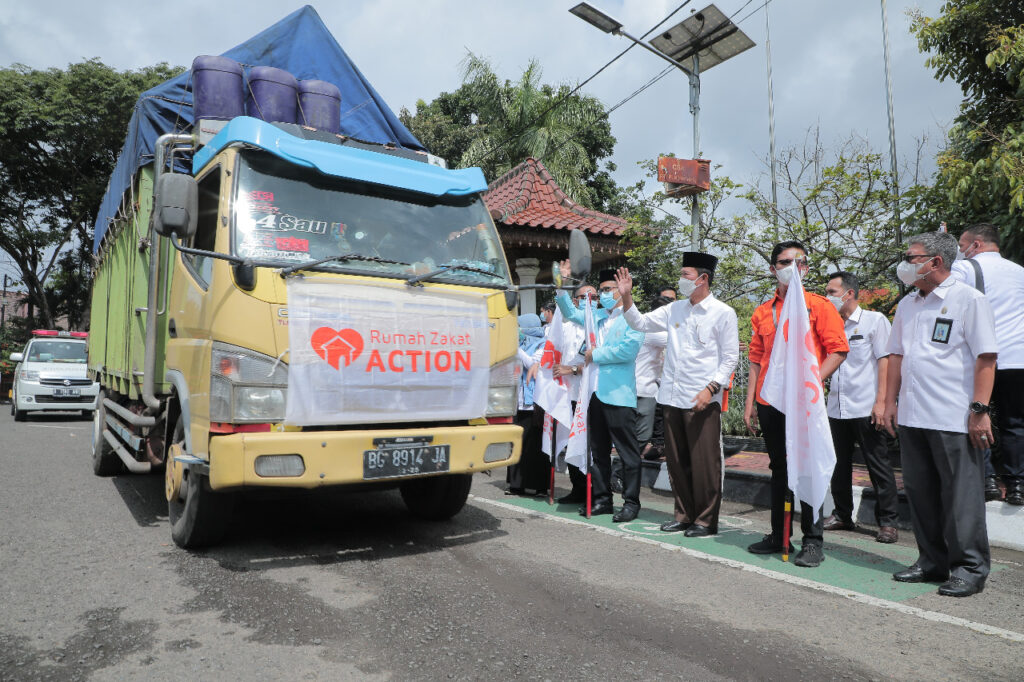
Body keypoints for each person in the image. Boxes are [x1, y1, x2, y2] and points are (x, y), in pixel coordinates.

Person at [882, 231, 996, 597]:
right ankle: (931, 560)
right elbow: (896, 355)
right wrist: (887, 402)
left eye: (911, 257)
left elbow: (986, 358)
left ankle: (969, 568)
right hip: (914, 415)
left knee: (961, 497)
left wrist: (980, 410)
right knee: (922, 493)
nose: (905, 264)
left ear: (936, 262)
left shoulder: (969, 300)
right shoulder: (908, 304)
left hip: (953, 416)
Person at [616, 253, 739, 538]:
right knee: (677, 462)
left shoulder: (723, 312)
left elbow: (730, 358)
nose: (681, 280)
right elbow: (640, 323)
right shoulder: (675, 310)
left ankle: (706, 520)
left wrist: (711, 388)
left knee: (704, 462)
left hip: (702, 399)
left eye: (686, 275)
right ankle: (684, 515)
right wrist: (626, 297)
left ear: (703, 278)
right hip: (671, 396)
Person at [744, 241, 848, 567]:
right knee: (779, 469)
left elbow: (838, 350)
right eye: (783, 262)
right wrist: (750, 403)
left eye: (796, 261)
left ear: (805, 267)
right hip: (770, 400)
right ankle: (779, 535)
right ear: (773, 268)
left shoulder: (818, 306)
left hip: (804, 404)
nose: (791, 266)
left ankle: (813, 541)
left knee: (807, 469)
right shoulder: (763, 311)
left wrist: (811, 384)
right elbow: (756, 360)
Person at [556, 264, 644, 522]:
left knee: (628, 453)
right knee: (598, 452)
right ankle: (603, 499)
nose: (602, 295)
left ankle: (631, 502)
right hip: (593, 394)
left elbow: (627, 351)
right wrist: (562, 284)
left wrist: (596, 355)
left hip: (618, 394)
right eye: (600, 290)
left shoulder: (634, 317)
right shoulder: (597, 315)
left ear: (622, 290)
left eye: (607, 290)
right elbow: (570, 312)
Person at [821, 271, 900, 543]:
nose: (828, 297)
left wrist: (882, 402)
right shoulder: (830, 325)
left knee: (877, 465)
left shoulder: (874, 321)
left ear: (849, 293)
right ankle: (842, 514)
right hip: (836, 408)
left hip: (866, 407)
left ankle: (888, 522)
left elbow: (885, 361)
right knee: (837, 465)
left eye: (832, 292)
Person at [951, 223, 1024, 505]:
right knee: (1015, 422)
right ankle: (1017, 485)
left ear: (976, 244)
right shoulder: (1020, 272)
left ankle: (987, 480)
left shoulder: (967, 269)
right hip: (1018, 358)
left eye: (961, 247)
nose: (961, 252)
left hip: (984, 359)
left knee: (976, 416)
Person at [529, 284, 592, 504]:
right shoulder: (564, 327)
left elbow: (599, 363)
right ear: (574, 302)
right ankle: (578, 489)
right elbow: (548, 350)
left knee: (589, 446)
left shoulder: (599, 326)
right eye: (583, 297)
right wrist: (539, 365)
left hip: (592, 394)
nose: (588, 300)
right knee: (571, 444)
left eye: (592, 296)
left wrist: (573, 369)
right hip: (568, 395)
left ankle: (595, 493)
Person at [507, 314, 549, 496]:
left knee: (537, 446)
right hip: (518, 401)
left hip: (536, 403)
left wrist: (515, 349)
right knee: (517, 444)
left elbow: (533, 364)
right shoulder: (520, 344)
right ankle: (516, 485)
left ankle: (540, 486)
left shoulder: (544, 344)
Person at [633, 297, 668, 464]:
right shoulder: (654, 332)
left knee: (637, 437)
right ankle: (620, 474)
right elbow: (683, 342)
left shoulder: (643, 327)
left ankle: (622, 474)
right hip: (643, 390)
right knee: (641, 437)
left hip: (640, 388)